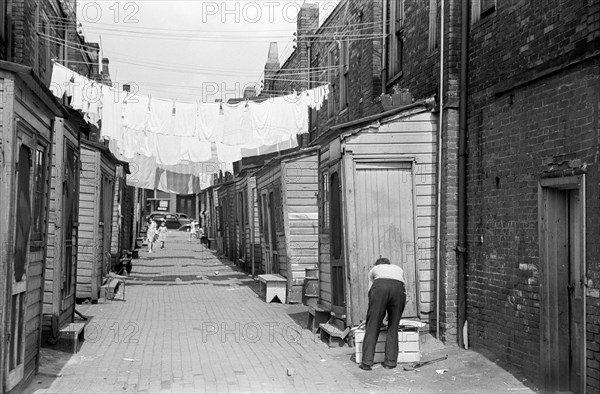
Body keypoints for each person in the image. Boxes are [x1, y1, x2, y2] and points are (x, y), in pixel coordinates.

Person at [359, 257, 406, 371]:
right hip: (398, 290)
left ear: (377, 264)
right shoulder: (398, 269)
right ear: (389, 264)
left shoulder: (374, 269)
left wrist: (376, 317)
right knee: (393, 326)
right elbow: (404, 289)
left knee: (372, 325)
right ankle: (390, 362)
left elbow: (371, 291)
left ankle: (367, 362)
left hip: (379, 288)